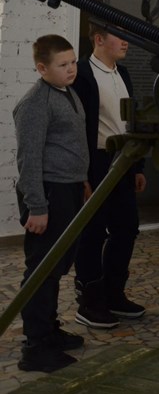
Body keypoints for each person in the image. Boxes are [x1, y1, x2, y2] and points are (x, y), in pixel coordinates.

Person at [14, 35, 89, 372]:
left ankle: (49, 330)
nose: (72, 69)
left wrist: (81, 180)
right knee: (42, 269)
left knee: (57, 265)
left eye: (73, 62)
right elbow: (28, 159)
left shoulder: (66, 92)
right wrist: (37, 206)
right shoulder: (35, 103)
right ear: (42, 68)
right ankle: (35, 347)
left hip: (68, 188)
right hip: (48, 193)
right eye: (63, 64)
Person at [72, 24, 147, 329]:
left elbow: (129, 121)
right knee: (92, 231)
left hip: (124, 160)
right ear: (99, 39)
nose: (126, 42)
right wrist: (82, 175)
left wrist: (138, 167)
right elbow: (77, 129)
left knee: (126, 228)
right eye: (120, 36)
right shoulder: (82, 74)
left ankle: (114, 293)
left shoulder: (123, 73)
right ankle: (89, 301)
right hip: (97, 161)